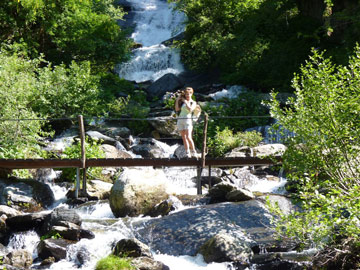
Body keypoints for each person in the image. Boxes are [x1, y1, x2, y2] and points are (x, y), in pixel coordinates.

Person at [175, 87, 200, 158]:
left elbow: (190, 110)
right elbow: (177, 109)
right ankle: (187, 152)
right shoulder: (182, 102)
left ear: (191, 94)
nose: (187, 95)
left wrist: (186, 102)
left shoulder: (193, 102)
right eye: (186, 94)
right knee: (184, 137)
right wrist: (177, 100)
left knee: (189, 137)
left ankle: (194, 151)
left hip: (188, 121)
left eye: (189, 94)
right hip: (180, 120)